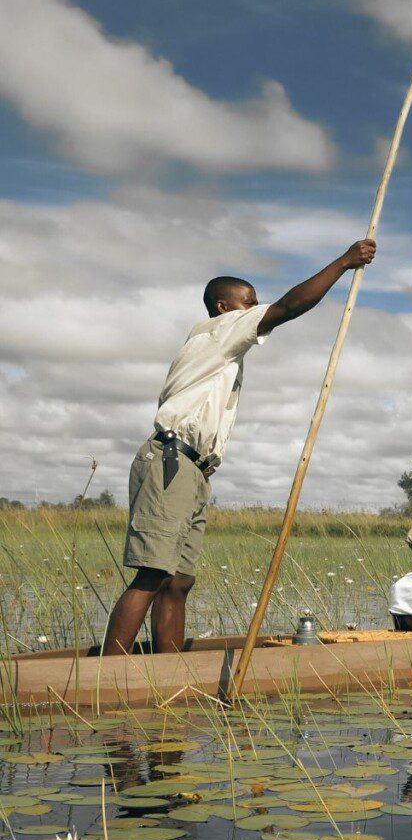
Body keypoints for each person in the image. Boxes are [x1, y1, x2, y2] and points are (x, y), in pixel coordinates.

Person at [102, 239, 378, 656]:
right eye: (248, 304)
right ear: (223, 308)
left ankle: (169, 670)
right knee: (153, 573)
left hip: (192, 468)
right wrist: (344, 262)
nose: (255, 310)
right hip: (170, 462)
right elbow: (287, 307)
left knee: (179, 581)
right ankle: (107, 674)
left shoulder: (223, 347)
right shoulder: (216, 331)